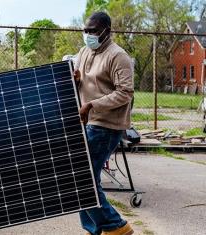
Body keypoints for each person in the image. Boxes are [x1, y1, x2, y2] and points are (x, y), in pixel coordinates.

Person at [73, 12, 134, 235]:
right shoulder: (83, 51)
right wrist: (76, 79)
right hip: (86, 123)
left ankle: (116, 226)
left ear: (107, 30)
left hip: (106, 126)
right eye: (86, 30)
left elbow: (125, 93)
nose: (88, 34)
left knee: (82, 178)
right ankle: (94, 228)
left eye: (93, 31)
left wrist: (92, 105)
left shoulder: (118, 56)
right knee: (82, 177)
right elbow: (81, 79)